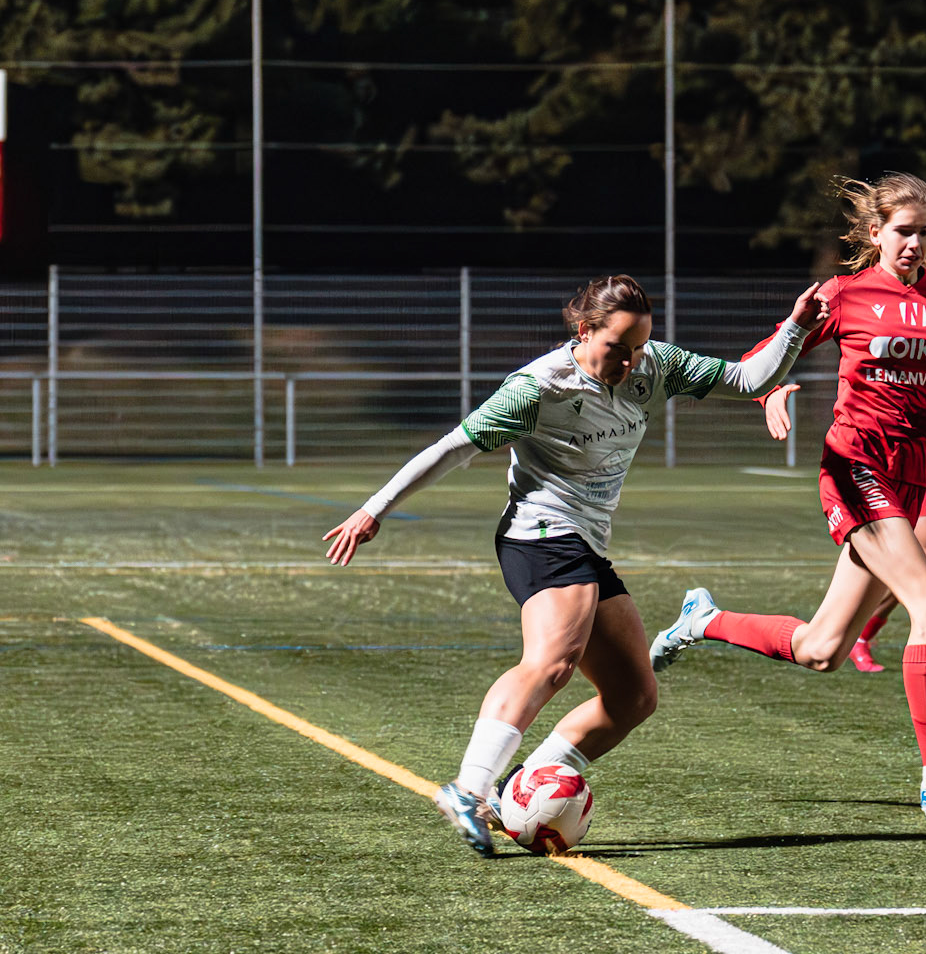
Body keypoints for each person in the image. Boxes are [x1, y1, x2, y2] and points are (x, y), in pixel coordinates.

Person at [325, 271, 826, 855]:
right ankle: (468, 787)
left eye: (640, 346)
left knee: (633, 696)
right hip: (539, 534)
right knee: (552, 662)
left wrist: (795, 327)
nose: (632, 360)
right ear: (585, 330)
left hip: (585, 543)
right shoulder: (539, 387)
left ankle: (518, 786)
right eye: (618, 346)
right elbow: (453, 447)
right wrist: (373, 509)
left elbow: (746, 379)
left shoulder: (653, 365)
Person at [649, 173, 926, 819]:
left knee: (820, 649)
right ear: (874, 232)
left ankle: (702, 619)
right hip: (855, 463)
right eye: (901, 231)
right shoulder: (844, 293)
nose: (913, 243)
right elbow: (765, 355)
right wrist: (769, 389)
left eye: (923, 232)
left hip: (913, 472)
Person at [764, 369, 926, 677]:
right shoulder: (895, 335)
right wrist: (766, 390)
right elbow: (787, 339)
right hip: (885, 459)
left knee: (824, 648)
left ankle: (863, 635)